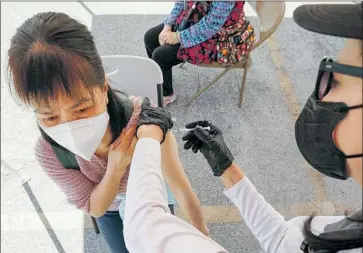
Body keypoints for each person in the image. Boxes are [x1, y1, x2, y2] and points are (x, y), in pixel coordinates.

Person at [124, 2, 362, 253]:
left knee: (162, 53)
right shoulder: (350, 229)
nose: (321, 97)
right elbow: (282, 239)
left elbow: (144, 231)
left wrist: (148, 143)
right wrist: (228, 168)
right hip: (195, 29)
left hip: (223, 40)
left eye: (331, 79)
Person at [6, 12, 208, 253]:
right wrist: (115, 168)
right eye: (49, 116)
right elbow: (95, 206)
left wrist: (205, 238)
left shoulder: (146, 125)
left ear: (103, 87)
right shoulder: (50, 152)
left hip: (151, 199)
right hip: (109, 210)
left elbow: (182, 190)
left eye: (82, 108)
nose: (69, 126)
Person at [144, 1, 253, 106]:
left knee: (160, 55)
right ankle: (160, 79)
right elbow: (181, 2)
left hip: (220, 39)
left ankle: (166, 94)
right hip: (193, 18)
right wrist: (167, 27)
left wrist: (178, 37)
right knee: (150, 38)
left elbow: (211, 26)